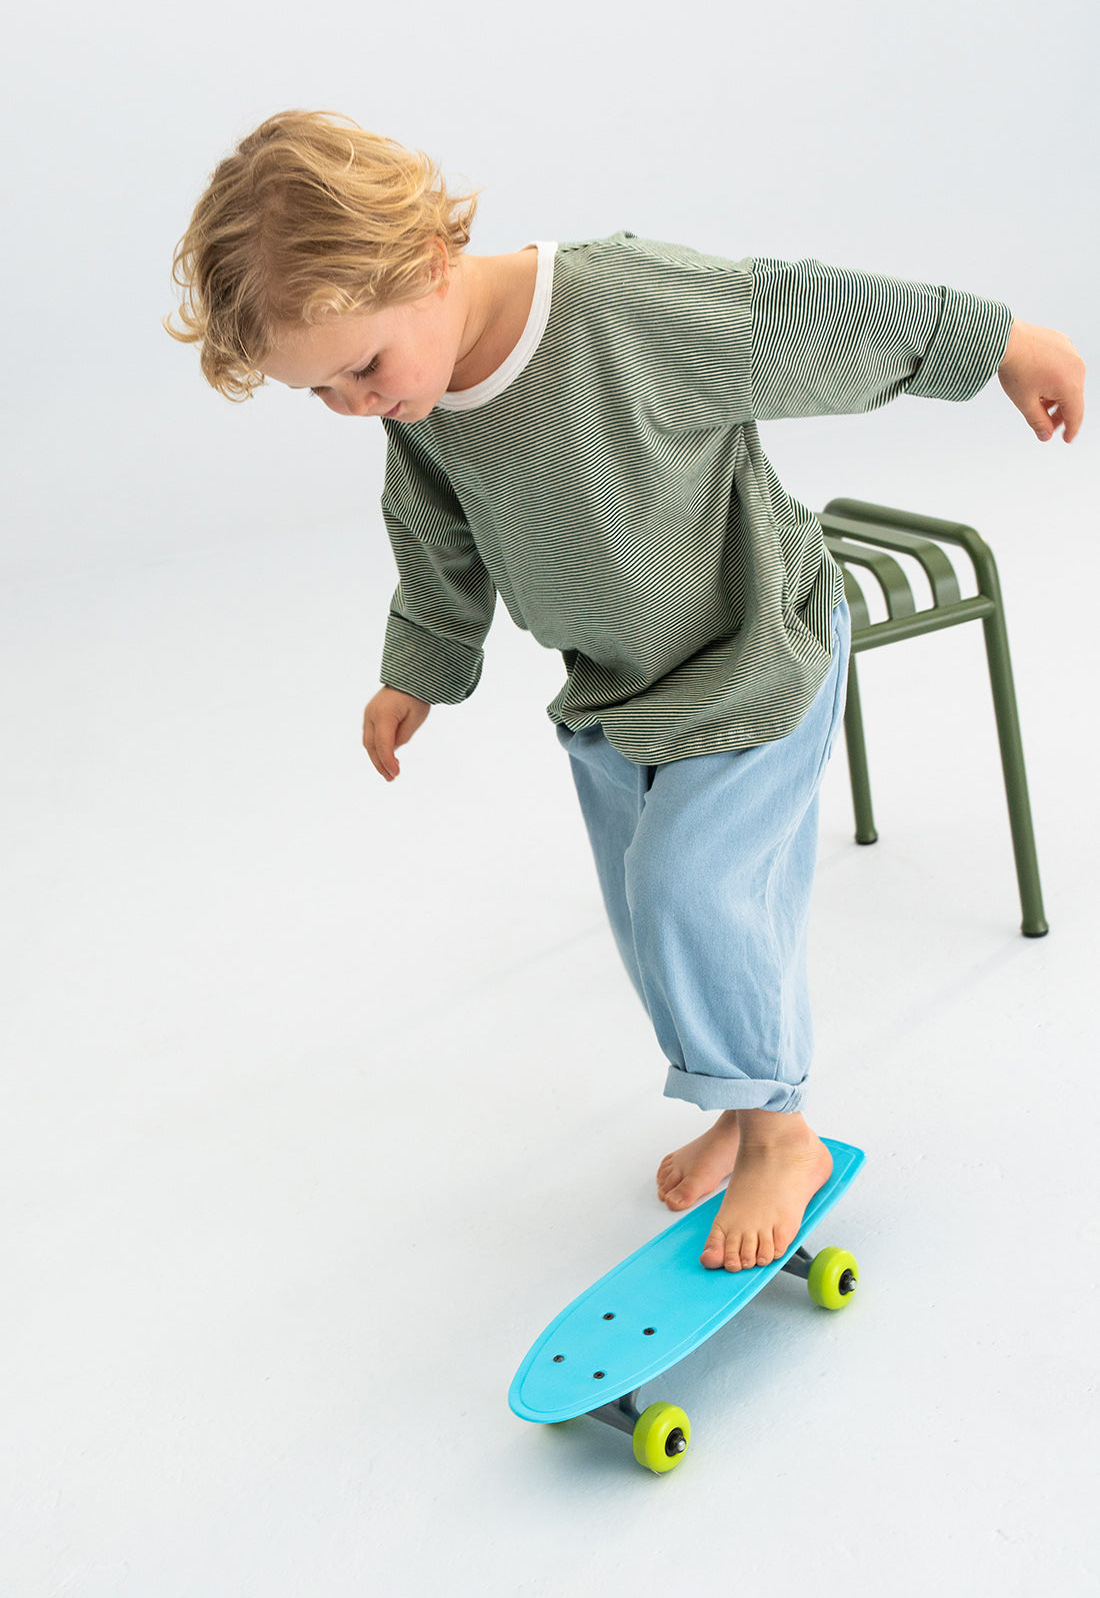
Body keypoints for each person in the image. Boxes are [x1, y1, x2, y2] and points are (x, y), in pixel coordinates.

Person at [167, 111, 1085, 1275]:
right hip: (620, 690)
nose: (355, 405)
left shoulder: (617, 307)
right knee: (646, 913)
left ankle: (783, 1133)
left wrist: (992, 343)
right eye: (321, 395)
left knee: (689, 886)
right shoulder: (419, 400)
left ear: (428, 261)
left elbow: (801, 317)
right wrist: (420, 671)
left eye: (358, 369)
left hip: (757, 644)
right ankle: (736, 1100)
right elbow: (435, 540)